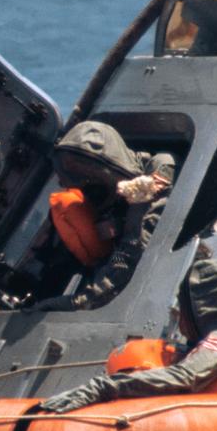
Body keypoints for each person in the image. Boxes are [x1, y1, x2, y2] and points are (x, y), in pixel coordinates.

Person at [40, 250, 217, 413]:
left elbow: (186, 376)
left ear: (203, 308)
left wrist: (102, 387)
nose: (180, 314)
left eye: (184, 306)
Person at [31, 120, 175, 312]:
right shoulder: (102, 195)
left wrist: (79, 302)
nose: (85, 186)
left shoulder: (154, 175)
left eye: (90, 175)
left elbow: (133, 249)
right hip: (108, 271)